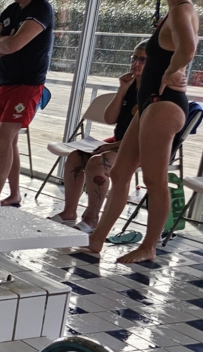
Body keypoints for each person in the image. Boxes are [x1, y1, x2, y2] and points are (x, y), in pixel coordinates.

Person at [81, 0, 202, 265]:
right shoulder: (176, 11)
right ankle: (96, 240)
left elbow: (188, 50)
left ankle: (149, 247)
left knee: (154, 180)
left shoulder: (181, 10)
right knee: (121, 172)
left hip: (165, 105)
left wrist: (170, 72)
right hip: (150, 104)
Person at [51, 43, 147, 234]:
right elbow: (110, 119)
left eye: (142, 60)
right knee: (76, 157)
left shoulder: (152, 92)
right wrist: (122, 90)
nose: (136, 63)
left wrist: (113, 146)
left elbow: (146, 136)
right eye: (134, 58)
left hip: (140, 147)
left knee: (98, 164)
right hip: (119, 141)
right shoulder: (130, 86)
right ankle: (69, 212)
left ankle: (92, 218)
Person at [0, 0, 53, 207]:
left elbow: (12, 45)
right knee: (9, 141)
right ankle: (14, 194)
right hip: (5, 82)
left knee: (4, 138)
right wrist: (4, 41)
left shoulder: (41, 9)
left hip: (27, 85)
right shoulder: (10, 10)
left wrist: (2, 41)